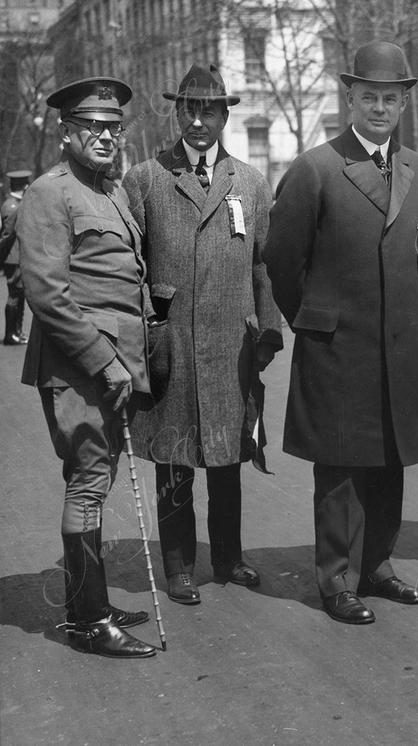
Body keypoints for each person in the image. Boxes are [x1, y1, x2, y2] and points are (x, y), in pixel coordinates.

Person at [263, 42, 418, 625]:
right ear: (350, 98)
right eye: (369, 97)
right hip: (338, 347)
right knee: (339, 467)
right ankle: (335, 579)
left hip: (401, 344)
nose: (380, 108)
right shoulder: (316, 168)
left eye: (391, 98)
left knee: (390, 456)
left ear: (404, 101)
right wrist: (313, 320)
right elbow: (281, 261)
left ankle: (377, 566)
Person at [123, 64, 282, 605]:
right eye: (188, 108)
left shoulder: (252, 183)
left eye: (208, 110)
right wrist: (149, 324)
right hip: (171, 346)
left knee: (227, 457)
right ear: (176, 111)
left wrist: (267, 334)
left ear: (224, 116)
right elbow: (131, 266)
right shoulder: (145, 179)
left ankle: (229, 558)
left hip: (232, 344)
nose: (197, 120)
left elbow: (265, 266)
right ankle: (179, 566)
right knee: (175, 457)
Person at [19, 77, 155, 657]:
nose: (104, 137)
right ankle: (89, 622)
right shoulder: (50, 194)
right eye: (91, 127)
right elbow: (47, 293)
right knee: (89, 484)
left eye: (112, 128)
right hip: (80, 367)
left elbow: (130, 273)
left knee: (94, 483)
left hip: (116, 363)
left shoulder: (111, 189)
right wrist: (106, 361)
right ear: (65, 132)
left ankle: (88, 603)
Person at [1, 170, 32, 345]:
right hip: (13, 258)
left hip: (18, 257)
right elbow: (6, 237)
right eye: (26, 183)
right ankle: (10, 334)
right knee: (14, 295)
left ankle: (17, 332)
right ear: (23, 185)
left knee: (19, 295)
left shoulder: (17, 204)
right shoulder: (12, 206)